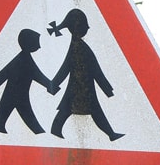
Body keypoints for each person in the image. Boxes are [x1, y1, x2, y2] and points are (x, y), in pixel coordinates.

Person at [47, 9, 124, 141]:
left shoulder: (79, 46)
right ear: (79, 27)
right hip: (81, 87)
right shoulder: (80, 47)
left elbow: (68, 68)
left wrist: (53, 84)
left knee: (72, 109)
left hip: (81, 86)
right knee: (84, 109)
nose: (88, 27)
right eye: (85, 25)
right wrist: (107, 89)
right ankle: (55, 131)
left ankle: (111, 134)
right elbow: (93, 70)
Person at [0, 28, 57, 134]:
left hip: (12, 94)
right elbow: (38, 75)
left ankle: (38, 133)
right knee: (20, 119)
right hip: (17, 95)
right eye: (37, 42)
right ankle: (39, 133)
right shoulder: (26, 60)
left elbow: (4, 73)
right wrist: (50, 86)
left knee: (3, 120)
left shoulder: (22, 58)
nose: (39, 46)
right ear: (30, 43)